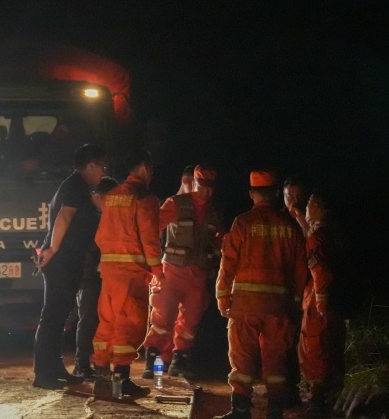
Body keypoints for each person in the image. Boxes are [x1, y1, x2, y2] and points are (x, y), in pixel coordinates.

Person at [213, 170, 308, 419]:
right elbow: (301, 270)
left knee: (242, 360)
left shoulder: (242, 223)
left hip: (245, 306)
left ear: (252, 194)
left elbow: (228, 264)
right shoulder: (290, 227)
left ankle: (241, 410)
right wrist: (295, 304)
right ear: (277, 194)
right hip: (279, 308)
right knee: (276, 360)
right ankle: (275, 411)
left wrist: (223, 297)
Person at [32, 143, 108, 390]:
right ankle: (44, 374)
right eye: (101, 167)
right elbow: (64, 216)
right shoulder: (75, 185)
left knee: (57, 317)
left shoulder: (78, 186)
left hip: (68, 261)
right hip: (62, 261)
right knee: (52, 317)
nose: (103, 172)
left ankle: (55, 369)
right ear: (91, 165)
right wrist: (52, 249)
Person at [91, 149, 161, 398]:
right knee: (129, 325)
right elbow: (150, 238)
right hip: (133, 273)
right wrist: (158, 270)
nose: (151, 174)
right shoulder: (144, 197)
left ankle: (101, 375)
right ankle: (120, 379)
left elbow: (102, 235)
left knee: (108, 322)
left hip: (109, 271)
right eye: (151, 169)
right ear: (143, 167)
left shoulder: (111, 195)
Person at [142, 165, 223, 379]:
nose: (206, 192)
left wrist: (214, 264)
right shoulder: (175, 204)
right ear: (194, 183)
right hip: (172, 271)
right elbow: (152, 229)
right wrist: (154, 262)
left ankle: (179, 358)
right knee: (162, 317)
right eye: (202, 186)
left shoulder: (214, 213)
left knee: (190, 322)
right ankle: (152, 359)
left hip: (198, 275)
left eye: (210, 188)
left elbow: (219, 243)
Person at [298, 191, 349, 417]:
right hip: (338, 302)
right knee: (333, 351)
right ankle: (329, 402)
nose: (306, 208)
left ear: (318, 207)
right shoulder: (337, 233)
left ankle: (317, 404)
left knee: (315, 351)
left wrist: (320, 303)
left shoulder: (317, 237)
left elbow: (320, 271)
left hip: (320, 306)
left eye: (308, 204)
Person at [72, 176, 119, 380]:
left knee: (103, 320)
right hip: (87, 275)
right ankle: (82, 364)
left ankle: (98, 363)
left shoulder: (102, 216)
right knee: (89, 318)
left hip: (101, 274)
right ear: (98, 196)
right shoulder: (86, 216)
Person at [281, 175, 312, 407]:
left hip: (306, 290)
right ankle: (285, 389)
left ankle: (302, 388)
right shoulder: (280, 219)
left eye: (298, 196)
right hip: (283, 289)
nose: (293, 201)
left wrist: (301, 217)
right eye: (289, 196)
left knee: (304, 341)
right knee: (283, 340)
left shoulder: (310, 220)